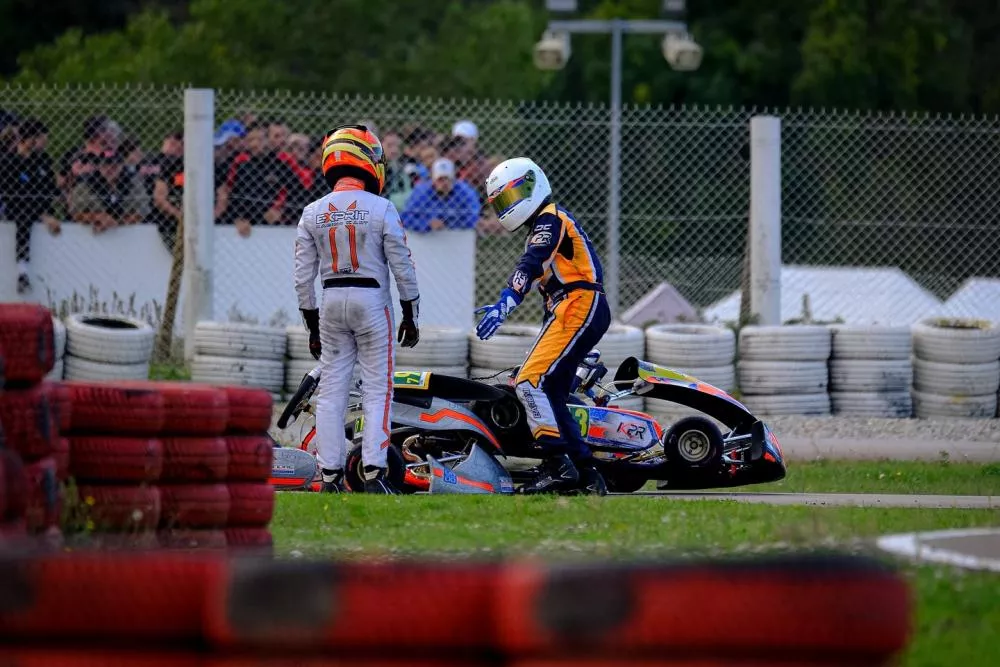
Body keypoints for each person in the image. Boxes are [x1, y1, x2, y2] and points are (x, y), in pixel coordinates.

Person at [293, 124, 421, 495]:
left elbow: (302, 277)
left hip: (330, 301)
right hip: (371, 300)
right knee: (378, 389)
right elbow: (403, 265)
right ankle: (374, 472)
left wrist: (312, 324)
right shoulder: (382, 208)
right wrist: (411, 313)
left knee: (332, 391)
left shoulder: (312, 212)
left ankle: (329, 474)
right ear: (367, 159)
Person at [474, 157, 611, 495]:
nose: (508, 207)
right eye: (501, 203)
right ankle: (586, 473)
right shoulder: (545, 223)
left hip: (578, 304)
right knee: (551, 393)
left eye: (511, 196)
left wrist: (506, 301)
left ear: (533, 185)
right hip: (573, 307)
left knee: (528, 381)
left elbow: (531, 264)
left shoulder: (550, 220)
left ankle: (556, 464)